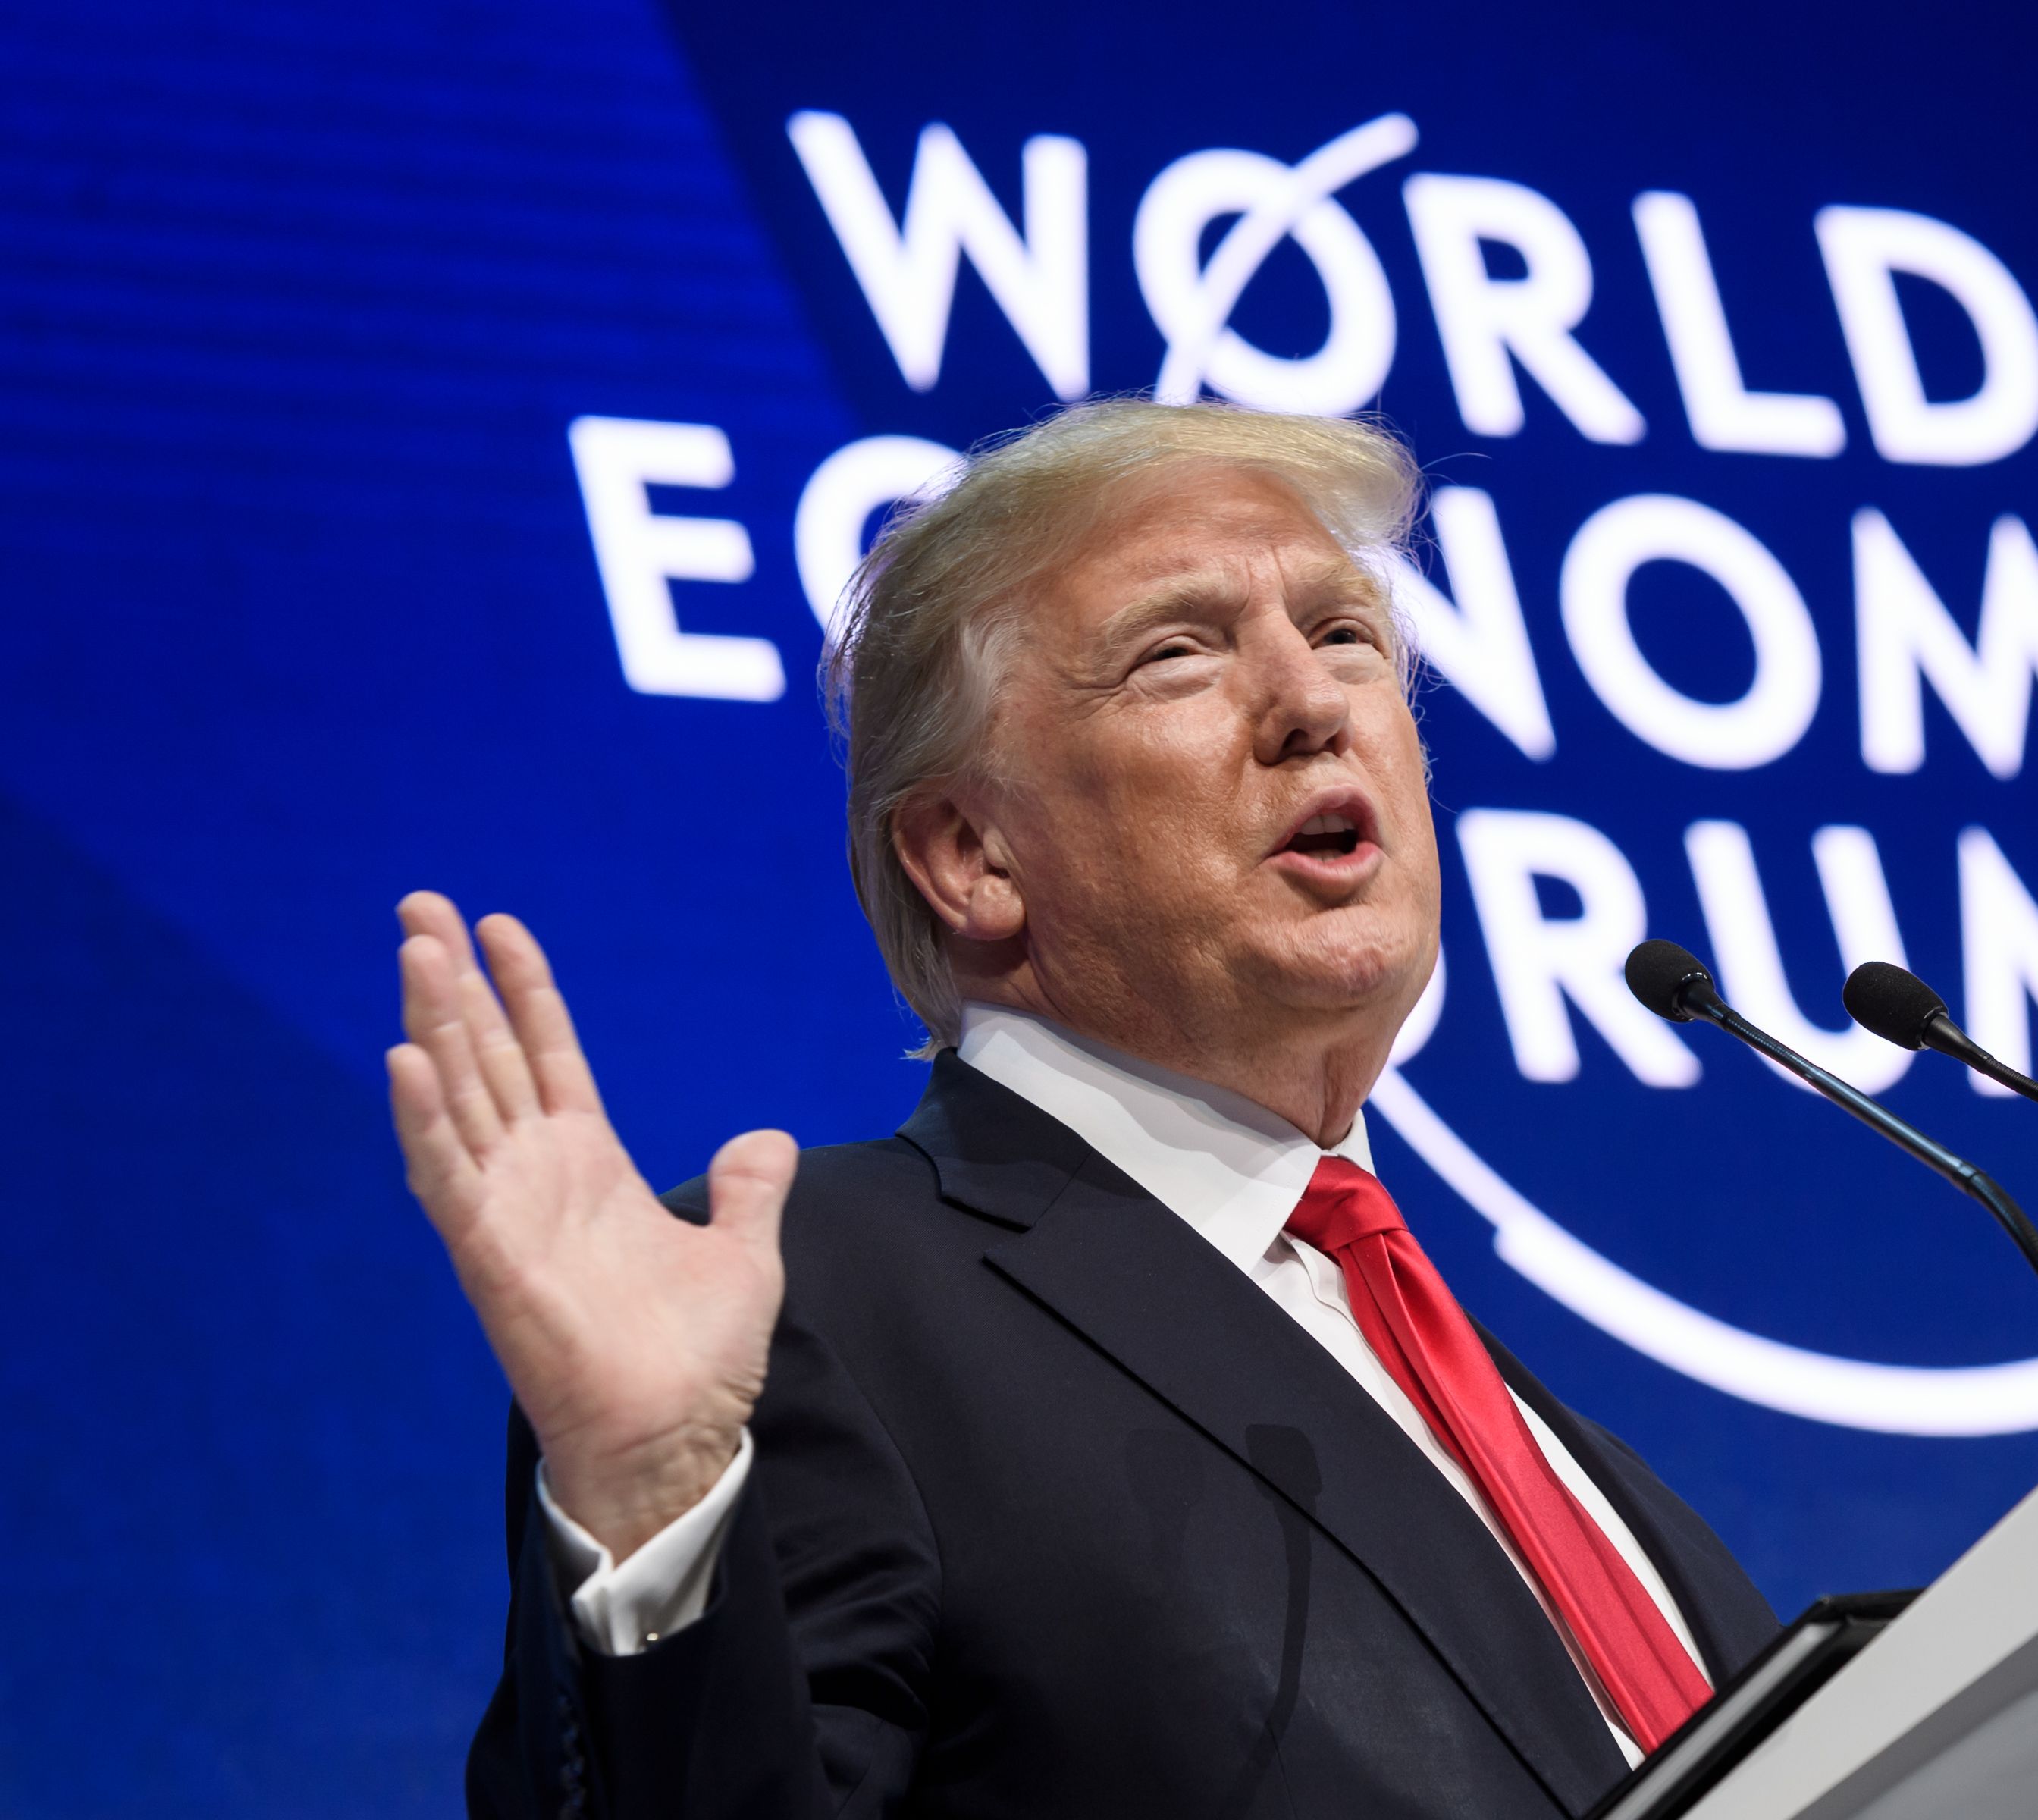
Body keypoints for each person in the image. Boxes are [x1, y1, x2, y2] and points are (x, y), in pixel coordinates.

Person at [391, 401, 1779, 1819]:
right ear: (972, 855)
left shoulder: (1564, 1454)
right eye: (1178, 652)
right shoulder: (824, 1307)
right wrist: (658, 1513)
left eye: (1348, 634)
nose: (1316, 704)